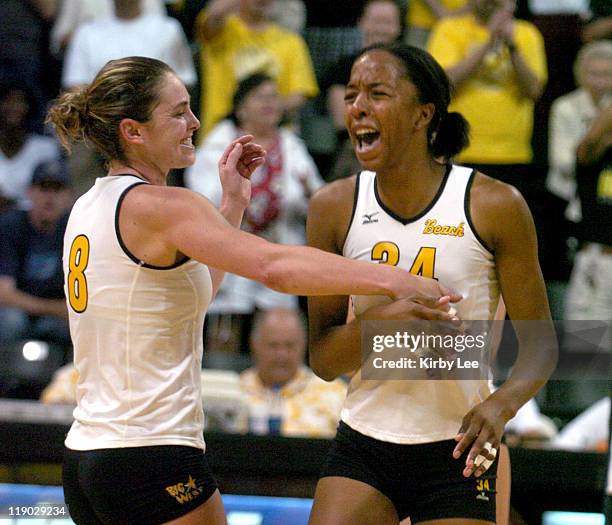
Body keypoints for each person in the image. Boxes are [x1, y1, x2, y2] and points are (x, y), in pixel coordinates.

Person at [46, 55, 459, 525]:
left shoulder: (88, 205)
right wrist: (393, 277)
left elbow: (189, 294)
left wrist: (233, 205)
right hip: (150, 455)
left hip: (88, 458)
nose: (194, 123)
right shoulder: (163, 205)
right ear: (133, 132)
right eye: (178, 112)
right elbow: (274, 266)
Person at [306, 43, 556, 525]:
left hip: (458, 446)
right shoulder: (332, 207)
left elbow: (541, 346)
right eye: (352, 93)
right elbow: (322, 359)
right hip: (364, 444)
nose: (357, 106)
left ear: (423, 114)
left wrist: (502, 405)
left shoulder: (495, 204)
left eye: (377, 93)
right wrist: (387, 325)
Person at [186, 73, 323, 319]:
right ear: (241, 108)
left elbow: (317, 202)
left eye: (274, 97)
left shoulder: (292, 144)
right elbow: (201, 200)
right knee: (227, 328)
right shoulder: (220, 142)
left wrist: (308, 194)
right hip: (229, 256)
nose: (269, 103)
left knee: (278, 329)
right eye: (260, 97)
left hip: (279, 253)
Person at [427, 0, 547, 198]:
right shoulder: (448, 29)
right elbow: (444, 84)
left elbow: (534, 90)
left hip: (513, 153)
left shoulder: (527, 33)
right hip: (460, 151)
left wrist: (512, 46)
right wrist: (489, 42)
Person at [194, 0, 319, 137]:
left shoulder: (292, 42)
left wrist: (261, 111)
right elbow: (215, 14)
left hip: (273, 140)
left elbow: (298, 95)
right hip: (220, 138)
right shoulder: (221, 31)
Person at [323, 0, 403, 181]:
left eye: (388, 22)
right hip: (354, 150)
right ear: (362, 23)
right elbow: (342, 121)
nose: (382, 29)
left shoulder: (409, 71)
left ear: (398, 27)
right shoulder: (343, 68)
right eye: (376, 21)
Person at [240, 308, 346, 438]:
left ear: (304, 345)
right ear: (254, 344)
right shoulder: (233, 392)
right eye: (273, 345)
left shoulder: (337, 395)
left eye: (289, 346)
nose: (282, 355)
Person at [0, 159, 72, 347]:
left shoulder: (76, 230)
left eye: (57, 190)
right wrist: (55, 308)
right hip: (17, 312)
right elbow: (4, 294)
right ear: (29, 192)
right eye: (43, 188)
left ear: (69, 197)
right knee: (11, 322)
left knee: (75, 325)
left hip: (53, 318)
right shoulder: (10, 225)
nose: (49, 197)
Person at [0, 81, 60, 211]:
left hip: (33, 226)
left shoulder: (46, 149)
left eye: (19, 101)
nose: (13, 107)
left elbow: (52, 199)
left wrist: (11, 204)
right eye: (7, 100)